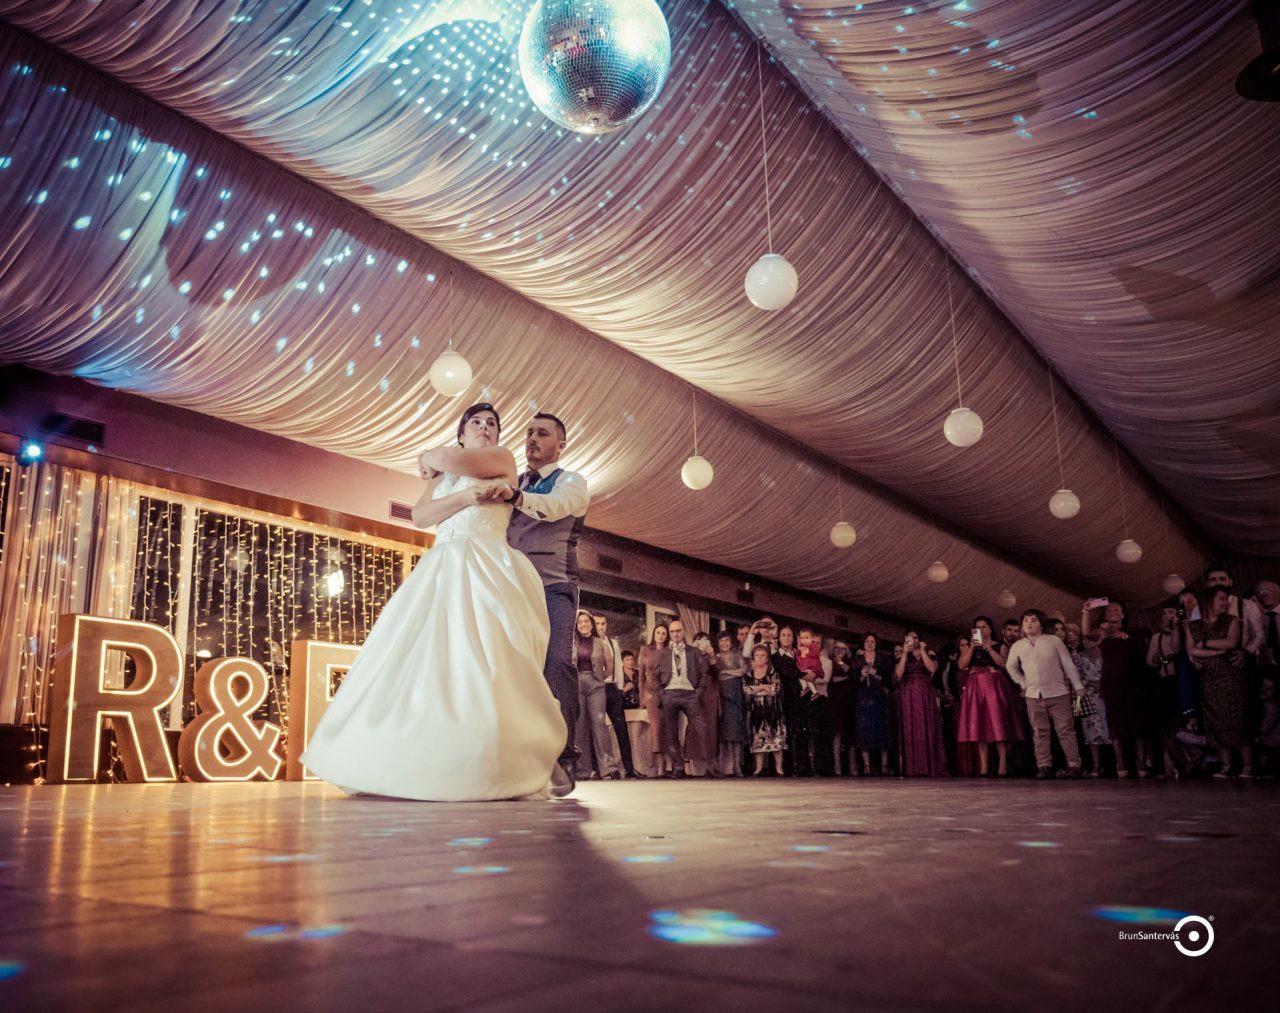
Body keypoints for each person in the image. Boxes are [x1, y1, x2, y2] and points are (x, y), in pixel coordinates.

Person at [302, 403, 565, 801]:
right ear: (461, 432)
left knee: (486, 662)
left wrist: (428, 458)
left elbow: (442, 457)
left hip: (485, 564)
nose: (484, 427)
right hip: (441, 564)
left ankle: (492, 760)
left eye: (491, 423)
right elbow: (422, 516)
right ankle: (410, 753)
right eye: (475, 422)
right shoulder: (446, 474)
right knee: (418, 659)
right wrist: (465, 496)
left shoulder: (501, 459)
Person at [503, 412, 591, 795]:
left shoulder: (572, 482)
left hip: (555, 588)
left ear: (561, 444)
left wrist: (516, 498)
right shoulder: (512, 481)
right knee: (514, 673)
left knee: (556, 663)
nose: (532, 439)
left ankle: (566, 755)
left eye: (542, 433)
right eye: (528, 432)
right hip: (512, 590)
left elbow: (553, 507)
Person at [1004, 610, 1085, 779]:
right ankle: (1044, 765)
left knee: (1065, 730)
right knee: (1039, 732)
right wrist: (1023, 683)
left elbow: (1067, 663)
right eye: (1026, 620)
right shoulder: (1019, 645)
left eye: (1033, 620)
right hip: (1033, 695)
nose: (1029, 623)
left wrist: (1078, 685)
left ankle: (1074, 764)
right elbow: (1011, 666)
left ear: (1041, 623)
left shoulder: (1053, 640)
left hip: (1058, 693)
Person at [1186, 587, 1252, 778]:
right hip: (1208, 678)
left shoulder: (1231, 621)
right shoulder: (1192, 625)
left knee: (1238, 719)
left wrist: (1205, 643)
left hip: (1231, 677)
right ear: (1208, 602)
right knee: (1216, 720)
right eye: (1221, 599)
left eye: (1226, 599)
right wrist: (1215, 651)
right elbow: (1191, 650)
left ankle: (1247, 765)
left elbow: (1231, 643)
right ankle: (1226, 765)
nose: (1225, 603)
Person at [1082, 599, 1151, 778]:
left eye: (1116, 609)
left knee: (1138, 727)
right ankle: (1121, 765)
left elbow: (1143, 654)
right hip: (1112, 685)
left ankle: (1142, 765)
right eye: (1108, 609)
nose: (1111, 611)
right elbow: (1086, 633)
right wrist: (1086, 612)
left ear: (1123, 614)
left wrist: (1126, 638)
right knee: (1116, 728)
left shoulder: (1135, 632)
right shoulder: (1103, 633)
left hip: (1134, 684)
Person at [956, 616, 1024, 777]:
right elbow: (961, 665)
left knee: (998, 722)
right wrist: (972, 647)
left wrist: (989, 649)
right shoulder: (971, 647)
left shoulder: (999, 645)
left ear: (991, 629)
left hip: (994, 685)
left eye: (984, 627)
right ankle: (984, 766)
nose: (981, 630)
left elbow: (1005, 664)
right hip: (975, 686)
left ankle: (1003, 764)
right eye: (977, 627)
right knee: (979, 724)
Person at [651, 619, 708, 778]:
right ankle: (678, 766)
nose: (676, 634)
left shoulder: (694, 651)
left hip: (690, 695)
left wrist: (698, 691)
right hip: (670, 694)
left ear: (684, 632)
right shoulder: (663, 653)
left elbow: (704, 673)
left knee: (702, 727)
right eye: (673, 631)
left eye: (679, 631)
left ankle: (707, 766)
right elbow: (654, 676)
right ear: (670, 633)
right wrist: (661, 693)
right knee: (671, 732)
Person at [573, 610, 621, 780]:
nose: (583, 624)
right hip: (576, 684)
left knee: (599, 725)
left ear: (591, 624)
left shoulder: (599, 642)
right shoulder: (572, 642)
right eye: (580, 622)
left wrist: (598, 678)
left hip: (596, 686)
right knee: (579, 727)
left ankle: (609, 768)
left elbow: (609, 666)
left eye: (586, 621)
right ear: (576, 625)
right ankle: (583, 771)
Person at [895, 631, 946, 776]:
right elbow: (898, 674)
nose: (913, 640)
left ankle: (929, 766)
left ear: (920, 639)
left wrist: (923, 651)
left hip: (924, 692)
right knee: (910, 726)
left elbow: (932, 669)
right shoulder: (904, 654)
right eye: (909, 638)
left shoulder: (929, 652)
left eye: (915, 637)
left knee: (927, 725)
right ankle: (912, 767)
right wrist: (904, 653)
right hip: (908, 693)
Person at [594, 615, 639, 779]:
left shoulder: (613, 643)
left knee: (622, 730)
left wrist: (619, 690)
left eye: (603, 623)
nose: (600, 626)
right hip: (596, 688)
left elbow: (618, 668)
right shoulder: (590, 643)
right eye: (597, 623)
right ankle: (600, 769)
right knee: (597, 729)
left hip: (613, 689)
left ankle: (629, 768)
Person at [1065, 622, 1110, 776]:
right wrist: (1089, 683)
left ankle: (1115, 764)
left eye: (1100, 639)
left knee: (1111, 729)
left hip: (1108, 695)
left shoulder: (1109, 656)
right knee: (1092, 731)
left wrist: (1104, 684)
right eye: (1093, 639)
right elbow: (1074, 676)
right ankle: (1096, 766)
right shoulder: (1079, 657)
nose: (1096, 642)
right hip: (1089, 698)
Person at [1145, 599, 1184, 777]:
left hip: (1184, 682)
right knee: (1166, 726)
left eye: (1172, 612)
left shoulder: (1185, 632)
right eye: (1165, 613)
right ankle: (1170, 765)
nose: (1168, 616)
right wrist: (1158, 658)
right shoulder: (1157, 637)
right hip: (1166, 683)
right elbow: (1150, 661)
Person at [744, 643, 786, 775]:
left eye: (763, 655)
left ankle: (779, 768)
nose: (760, 658)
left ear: (767, 658)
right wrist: (764, 687)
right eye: (757, 655)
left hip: (773, 710)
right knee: (758, 739)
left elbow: (775, 690)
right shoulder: (749, 674)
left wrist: (757, 689)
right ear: (753, 658)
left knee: (776, 739)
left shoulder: (773, 672)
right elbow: (746, 690)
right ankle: (759, 768)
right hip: (756, 711)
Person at [853, 633, 892, 775]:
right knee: (864, 729)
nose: (869, 644)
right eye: (867, 641)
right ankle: (867, 766)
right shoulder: (857, 659)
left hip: (879, 697)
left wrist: (876, 674)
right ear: (863, 643)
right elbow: (853, 678)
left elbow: (888, 678)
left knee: (882, 728)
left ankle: (884, 766)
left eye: (872, 641)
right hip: (863, 697)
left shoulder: (883, 658)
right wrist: (862, 676)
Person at [714, 630, 749, 777]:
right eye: (721, 641)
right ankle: (726, 768)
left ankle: (737, 766)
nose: (724, 643)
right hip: (722, 696)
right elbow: (716, 675)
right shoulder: (715, 657)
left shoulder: (737, 654)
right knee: (725, 734)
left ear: (731, 641)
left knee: (737, 733)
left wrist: (727, 673)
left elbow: (743, 671)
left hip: (736, 695)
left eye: (727, 640)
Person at [774, 626, 808, 776]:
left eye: (789, 635)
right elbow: (787, 672)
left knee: (801, 731)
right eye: (783, 635)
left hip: (802, 697)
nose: (786, 637)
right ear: (779, 638)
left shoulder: (800, 655)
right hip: (785, 698)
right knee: (787, 731)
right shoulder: (775, 657)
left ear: (793, 638)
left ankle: (802, 766)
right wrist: (804, 674)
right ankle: (790, 766)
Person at [796, 628, 829, 776]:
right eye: (812, 641)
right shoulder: (802, 655)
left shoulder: (825, 661)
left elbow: (824, 678)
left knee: (817, 735)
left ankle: (818, 766)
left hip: (820, 700)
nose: (813, 644)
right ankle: (806, 766)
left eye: (817, 642)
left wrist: (810, 675)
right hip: (806, 700)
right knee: (806, 733)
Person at [638, 624, 670, 776]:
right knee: (655, 729)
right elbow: (641, 677)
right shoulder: (645, 650)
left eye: (664, 633)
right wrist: (641, 699)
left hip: (666, 692)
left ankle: (669, 764)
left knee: (667, 728)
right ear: (654, 634)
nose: (661, 635)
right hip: (650, 693)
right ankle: (659, 765)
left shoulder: (669, 651)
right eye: (658, 632)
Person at [827, 641, 856, 775]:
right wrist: (846, 678)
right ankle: (837, 766)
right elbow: (832, 679)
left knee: (850, 734)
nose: (839, 651)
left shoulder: (850, 662)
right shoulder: (828, 662)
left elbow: (853, 675)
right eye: (837, 648)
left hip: (849, 701)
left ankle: (852, 766)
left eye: (843, 649)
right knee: (837, 733)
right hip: (835, 701)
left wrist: (842, 666)